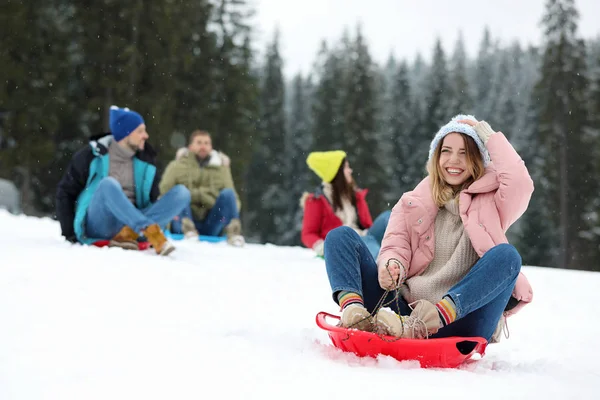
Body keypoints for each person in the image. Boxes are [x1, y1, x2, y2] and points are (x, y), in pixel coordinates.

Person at [323, 115, 534, 344]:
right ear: (436, 156)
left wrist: (486, 133)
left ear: (477, 159)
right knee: (340, 237)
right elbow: (395, 246)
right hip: (402, 311)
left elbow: (520, 183)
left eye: (465, 153)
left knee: (507, 256)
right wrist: (392, 265)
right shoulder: (413, 202)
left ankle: (430, 320)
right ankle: (355, 313)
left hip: (461, 318)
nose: (454, 160)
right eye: (447, 151)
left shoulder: (494, 202)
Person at [56, 106, 191, 256]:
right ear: (125, 134)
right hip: (101, 223)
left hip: (132, 225)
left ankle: (130, 233)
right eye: (140, 131)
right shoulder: (91, 156)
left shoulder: (146, 161)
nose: (145, 136)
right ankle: (148, 229)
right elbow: (65, 192)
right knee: (108, 184)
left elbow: (153, 201)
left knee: (182, 193)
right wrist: (69, 233)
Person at [159, 130, 244, 246]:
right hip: (183, 220)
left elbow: (233, 200)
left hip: (211, 221)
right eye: (199, 143)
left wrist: (226, 215)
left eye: (206, 143)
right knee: (180, 192)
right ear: (190, 146)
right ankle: (188, 232)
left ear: (211, 147)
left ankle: (234, 234)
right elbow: (164, 194)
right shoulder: (176, 166)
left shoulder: (221, 169)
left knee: (228, 194)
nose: (203, 146)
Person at [300, 150, 391, 260]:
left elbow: (368, 226)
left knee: (389, 216)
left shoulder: (356, 195)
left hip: (365, 237)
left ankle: (409, 255)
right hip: (345, 244)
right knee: (367, 243)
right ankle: (380, 266)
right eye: (346, 167)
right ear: (336, 172)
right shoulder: (316, 200)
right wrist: (323, 248)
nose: (350, 171)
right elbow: (308, 233)